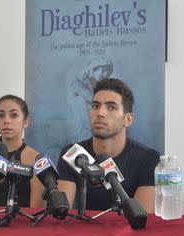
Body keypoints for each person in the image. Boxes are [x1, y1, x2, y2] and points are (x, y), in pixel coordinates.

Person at [57, 78, 160, 212]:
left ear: (128, 119)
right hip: (84, 229)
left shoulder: (148, 159)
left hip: (128, 231)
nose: (100, 113)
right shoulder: (73, 154)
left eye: (111, 107)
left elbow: (140, 219)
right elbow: (61, 213)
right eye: (95, 106)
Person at [0, 95, 44, 208]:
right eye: (1, 115)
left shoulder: (36, 159)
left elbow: (36, 209)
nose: (6, 121)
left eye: (14, 115)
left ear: (25, 122)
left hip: (22, 223)